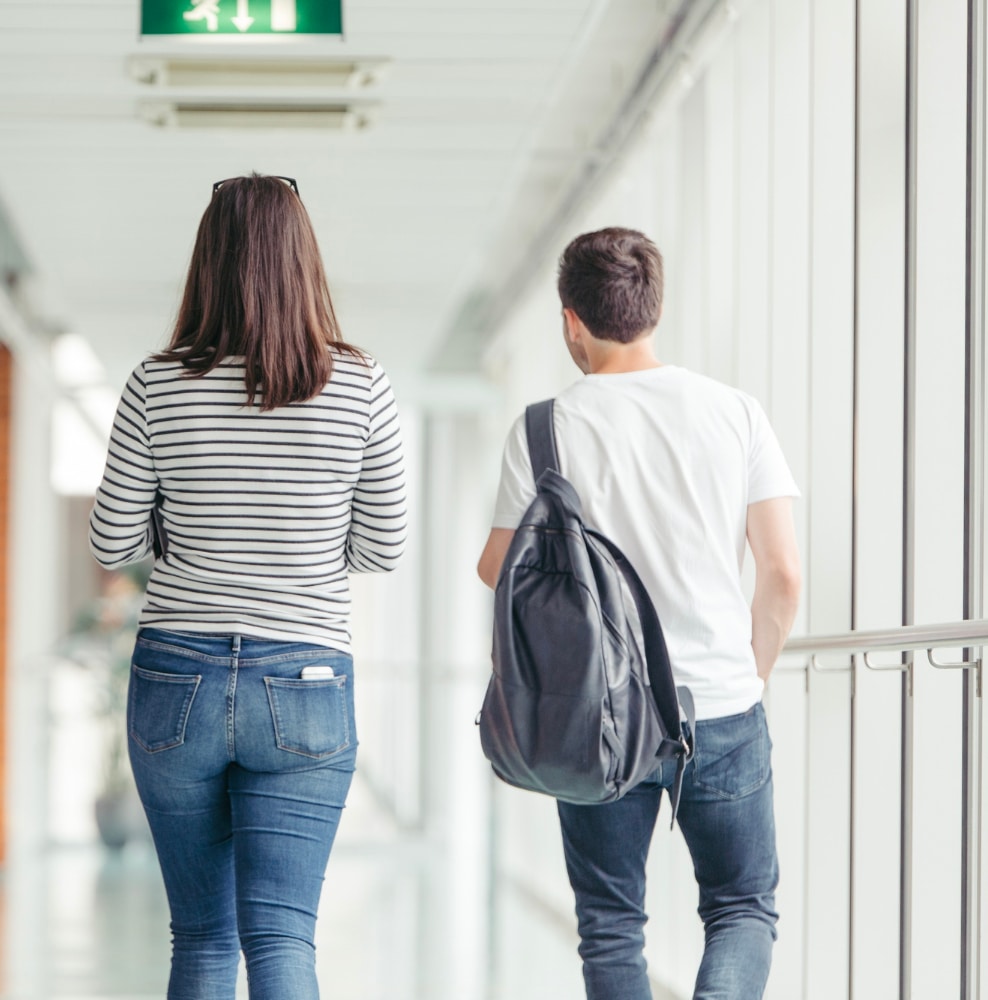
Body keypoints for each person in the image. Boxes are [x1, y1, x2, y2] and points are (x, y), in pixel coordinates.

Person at [89, 173, 408, 1000]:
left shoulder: (155, 385)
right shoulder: (362, 385)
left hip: (175, 679)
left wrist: (185, 528)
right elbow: (382, 548)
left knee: (200, 938)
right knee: (281, 937)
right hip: (306, 677)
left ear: (208, 262)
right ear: (304, 261)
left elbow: (113, 539)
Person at [476, 228, 802, 1000]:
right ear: (653, 309)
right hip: (718, 704)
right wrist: (744, 674)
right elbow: (783, 572)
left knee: (611, 920)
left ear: (570, 321)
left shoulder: (544, 428)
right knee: (741, 907)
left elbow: (497, 567)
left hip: (595, 712)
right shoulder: (735, 413)